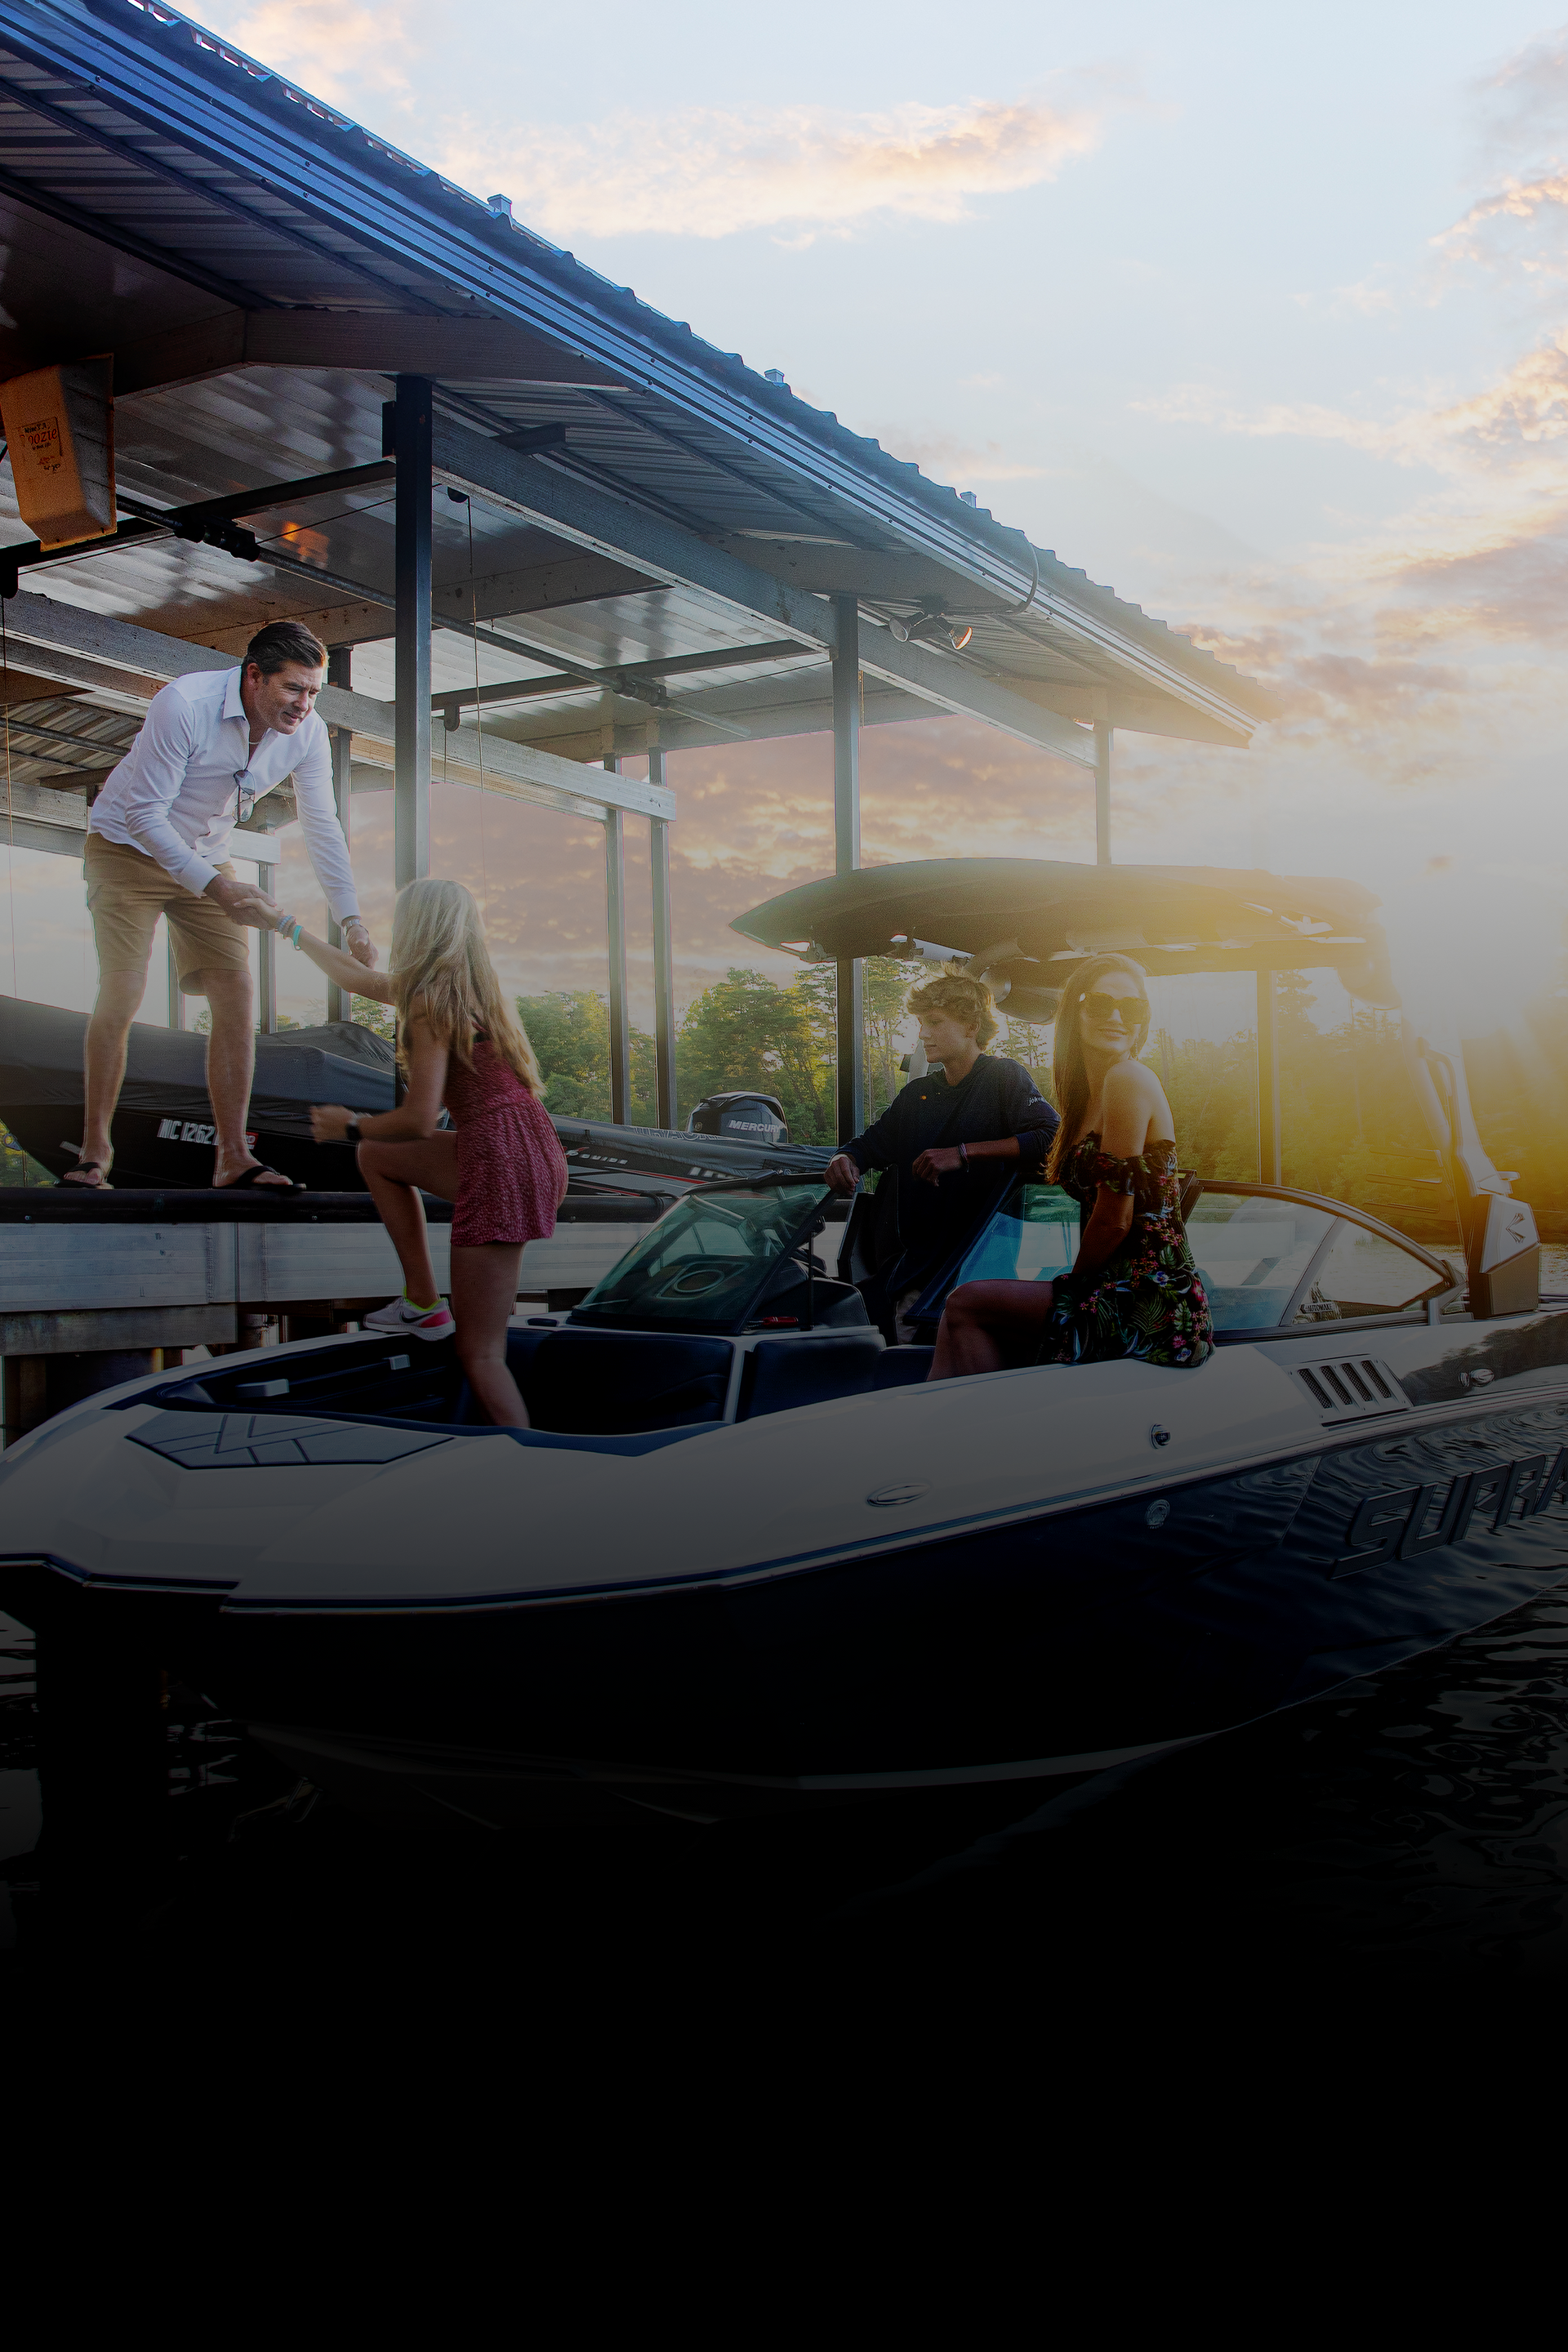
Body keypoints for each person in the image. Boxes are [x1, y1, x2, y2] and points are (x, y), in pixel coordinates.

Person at [69, 620, 375, 1191]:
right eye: (293, 689)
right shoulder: (183, 704)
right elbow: (144, 816)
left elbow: (322, 825)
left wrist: (350, 917)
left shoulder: (307, 733)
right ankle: (93, 1154)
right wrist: (214, 887)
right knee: (124, 988)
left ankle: (233, 1158)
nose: (304, 705)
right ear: (254, 676)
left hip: (207, 855)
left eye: (313, 692)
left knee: (237, 992)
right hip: (126, 847)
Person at [256, 877, 568, 1432]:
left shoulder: (428, 1003)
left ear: (415, 929)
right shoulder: (474, 991)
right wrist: (286, 926)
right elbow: (355, 975)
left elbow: (419, 1118)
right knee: (378, 1157)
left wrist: (346, 1123)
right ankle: (423, 1302)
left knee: (482, 1354)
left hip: (497, 1154)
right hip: (534, 1146)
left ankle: (531, 1463)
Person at [928, 953, 1212, 1379]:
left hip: (1153, 1304)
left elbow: (1115, 1220)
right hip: (1114, 1288)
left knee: (966, 1303)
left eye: (1131, 1008)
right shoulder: (1082, 1100)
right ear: (1075, 1010)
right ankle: (959, 1431)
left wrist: (1072, 1287)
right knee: (965, 1319)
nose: (1115, 1017)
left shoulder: (1128, 1079)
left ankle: (957, 1433)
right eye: (1100, 1004)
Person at [825, 970, 1058, 1343]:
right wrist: (846, 1157)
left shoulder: (1003, 1077)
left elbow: (1049, 1136)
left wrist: (964, 1154)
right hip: (920, 1275)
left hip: (982, 1269)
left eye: (934, 1023)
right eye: (921, 1024)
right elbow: (870, 1145)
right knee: (909, 1371)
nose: (923, 1034)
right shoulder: (917, 1094)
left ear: (970, 1026)